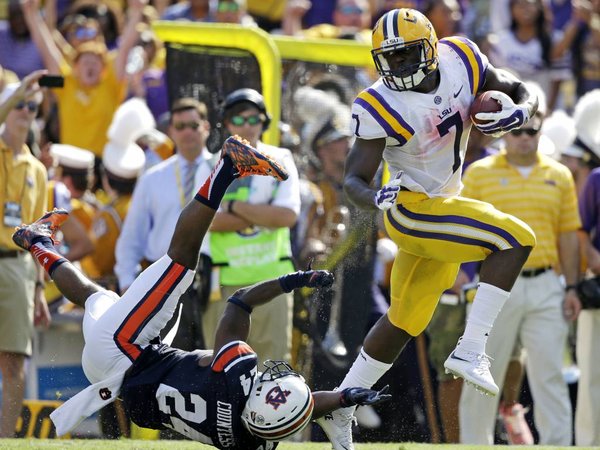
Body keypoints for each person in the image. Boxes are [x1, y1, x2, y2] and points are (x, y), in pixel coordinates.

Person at [12, 136, 390, 447]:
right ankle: (37, 243)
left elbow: (240, 302)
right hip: (112, 374)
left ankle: (228, 167)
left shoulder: (237, 375)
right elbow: (289, 413)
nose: (269, 379)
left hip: (126, 350)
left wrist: (293, 280)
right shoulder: (247, 440)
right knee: (99, 298)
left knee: (180, 262)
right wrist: (340, 398)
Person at [316, 8, 539, 449]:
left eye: (406, 55)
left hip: (444, 200)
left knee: (405, 320)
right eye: (389, 58)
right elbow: (355, 179)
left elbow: (518, 88)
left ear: (433, 47)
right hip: (410, 208)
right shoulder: (379, 103)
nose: (398, 67)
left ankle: (339, 405)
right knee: (517, 238)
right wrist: (374, 197)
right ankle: (472, 346)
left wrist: (520, 112)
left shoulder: (462, 56)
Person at [459, 85, 581, 446]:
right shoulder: (479, 174)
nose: (524, 139)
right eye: (517, 131)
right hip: (495, 286)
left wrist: (572, 287)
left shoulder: (559, 175)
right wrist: (461, 276)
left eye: (531, 131)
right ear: (505, 134)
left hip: (546, 283)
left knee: (549, 376)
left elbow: (569, 236)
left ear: (539, 133)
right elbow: (463, 231)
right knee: (482, 373)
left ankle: (558, 445)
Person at [202, 88, 300, 364]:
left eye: (253, 119)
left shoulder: (281, 158)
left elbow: (286, 217)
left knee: (274, 373)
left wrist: (232, 207)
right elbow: (208, 221)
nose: (247, 126)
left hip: (273, 282)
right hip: (223, 285)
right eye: (238, 119)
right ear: (228, 123)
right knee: (222, 371)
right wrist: (261, 213)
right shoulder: (210, 163)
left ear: (264, 121)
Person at [0, 70, 49, 437]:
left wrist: (38, 291)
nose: (25, 110)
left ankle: (4, 440)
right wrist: (16, 90)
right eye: (19, 103)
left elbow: (39, 232)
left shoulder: (38, 169)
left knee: (14, 360)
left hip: (18, 268)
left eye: (31, 105)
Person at [573, 89, 600, 447]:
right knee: (592, 373)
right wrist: (591, 256)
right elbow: (580, 228)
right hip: (597, 286)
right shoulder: (596, 178)